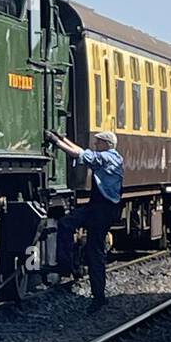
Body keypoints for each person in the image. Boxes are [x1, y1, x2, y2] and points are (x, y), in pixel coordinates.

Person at [51, 129, 124, 311]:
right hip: (98, 208)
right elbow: (83, 152)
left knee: (94, 251)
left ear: (107, 144)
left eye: (98, 142)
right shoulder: (110, 157)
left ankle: (97, 295)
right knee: (67, 224)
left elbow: (80, 154)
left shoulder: (108, 158)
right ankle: (67, 265)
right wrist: (62, 139)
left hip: (103, 210)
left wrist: (56, 142)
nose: (95, 145)